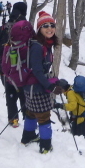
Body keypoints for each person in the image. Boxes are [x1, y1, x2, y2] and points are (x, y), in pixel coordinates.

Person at [21, 11, 68, 154]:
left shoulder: (45, 44)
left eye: (52, 25)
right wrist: (50, 86)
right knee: (44, 117)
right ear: (39, 29)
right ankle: (46, 146)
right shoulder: (38, 46)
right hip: (36, 88)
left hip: (30, 87)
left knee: (31, 113)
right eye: (45, 26)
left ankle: (28, 137)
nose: (49, 28)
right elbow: (37, 71)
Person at [0, 1, 27, 128]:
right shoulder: (27, 28)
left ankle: (13, 119)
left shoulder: (3, 28)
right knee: (23, 94)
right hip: (23, 69)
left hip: (4, 68)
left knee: (10, 93)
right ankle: (28, 120)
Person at [56, 75, 85, 140]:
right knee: (77, 134)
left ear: (62, 88)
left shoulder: (70, 93)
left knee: (81, 136)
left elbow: (72, 106)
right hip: (84, 114)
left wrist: (61, 106)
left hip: (83, 116)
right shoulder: (72, 88)